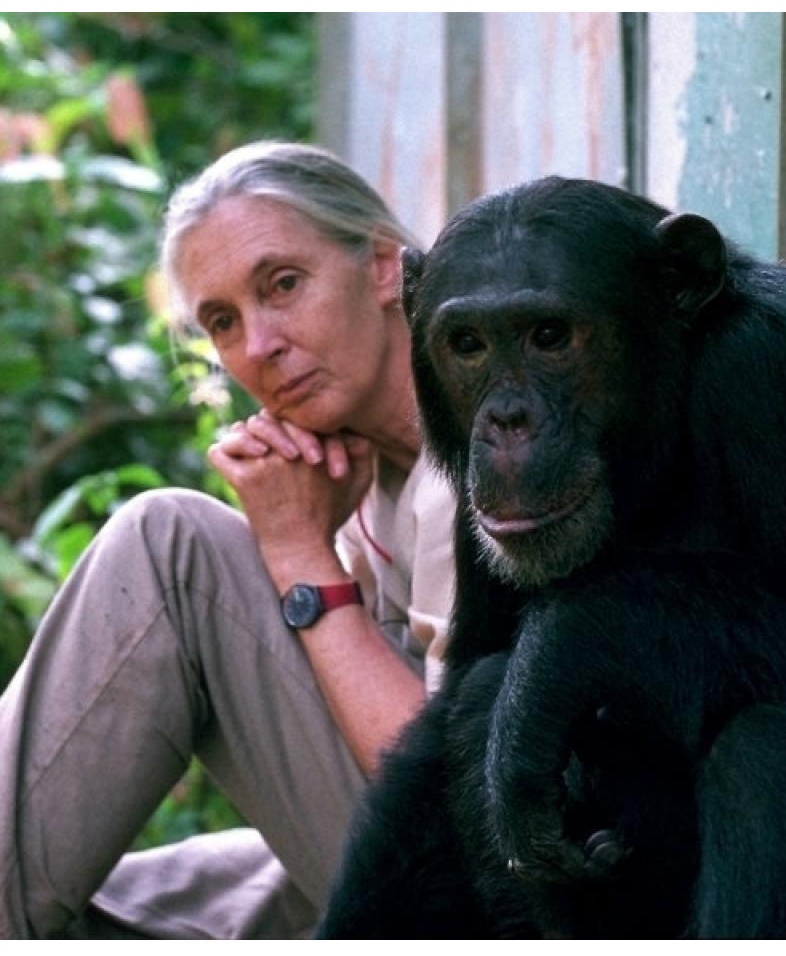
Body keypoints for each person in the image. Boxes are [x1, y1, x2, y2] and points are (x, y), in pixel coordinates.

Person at [0, 141, 455, 939]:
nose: (259, 346)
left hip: (504, 894)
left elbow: (455, 800)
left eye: (283, 285)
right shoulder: (362, 468)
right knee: (109, 905)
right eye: (222, 322)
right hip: (414, 854)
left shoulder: (482, 459)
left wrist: (299, 558)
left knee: (173, 548)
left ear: (384, 265)